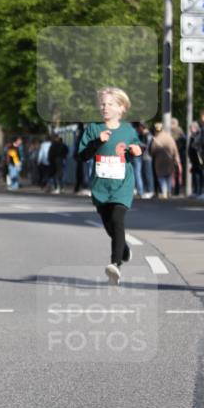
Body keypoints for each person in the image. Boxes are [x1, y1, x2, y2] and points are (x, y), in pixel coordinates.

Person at [77, 87, 142, 285]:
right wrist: (97, 142)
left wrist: (136, 150)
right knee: (108, 225)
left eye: (110, 104)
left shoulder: (128, 130)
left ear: (121, 108)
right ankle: (124, 249)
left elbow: (134, 149)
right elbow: (82, 156)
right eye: (102, 104)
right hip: (101, 185)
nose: (105, 107)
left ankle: (115, 265)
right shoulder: (93, 129)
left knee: (117, 218)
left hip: (122, 184)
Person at [151, 122, 180, 199]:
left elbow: (152, 151)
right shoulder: (169, 137)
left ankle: (164, 192)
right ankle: (169, 192)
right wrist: (176, 158)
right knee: (169, 176)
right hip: (169, 160)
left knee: (161, 177)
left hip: (159, 161)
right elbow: (175, 149)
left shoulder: (156, 139)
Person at [188, 121, 204, 197]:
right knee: (195, 174)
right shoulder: (193, 136)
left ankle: (199, 190)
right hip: (194, 159)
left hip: (199, 159)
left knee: (199, 175)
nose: (190, 130)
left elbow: (196, 147)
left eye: (191, 128)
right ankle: (195, 190)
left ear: (195, 128)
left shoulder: (198, 135)